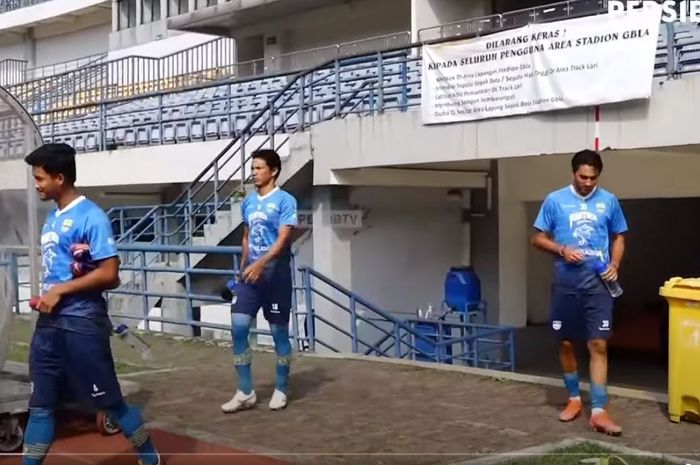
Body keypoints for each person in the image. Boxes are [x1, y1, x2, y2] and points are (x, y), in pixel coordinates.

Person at [22, 143, 164, 465]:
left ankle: (149, 456)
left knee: (111, 403)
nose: (37, 184)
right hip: (49, 325)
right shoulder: (52, 217)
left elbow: (111, 274)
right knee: (40, 404)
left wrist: (61, 290)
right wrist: (49, 295)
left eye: (40, 178)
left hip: (82, 323)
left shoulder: (91, 216)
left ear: (60, 178)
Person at [531, 149, 628, 436]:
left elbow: (619, 236)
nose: (587, 182)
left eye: (593, 178)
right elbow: (537, 238)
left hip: (598, 286)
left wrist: (615, 264)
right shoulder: (554, 200)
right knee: (566, 344)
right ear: (573, 173)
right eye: (582, 177)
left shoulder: (609, 201)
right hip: (565, 286)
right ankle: (574, 399)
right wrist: (561, 249)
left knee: (598, 345)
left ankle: (598, 410)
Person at [221, 149, 298, 414]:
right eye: (252, 168)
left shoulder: (286, 201)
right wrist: (243, 268)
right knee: (239, 328)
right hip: (249, 278)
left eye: (258, 168)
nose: (253, 172)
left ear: (273, 171)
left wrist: (260, 264)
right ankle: (245, 391)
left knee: (278, 334)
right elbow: (246, 236)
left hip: (275, 278)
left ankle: (281, 388)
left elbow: (282, 240)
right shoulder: (248, 202)